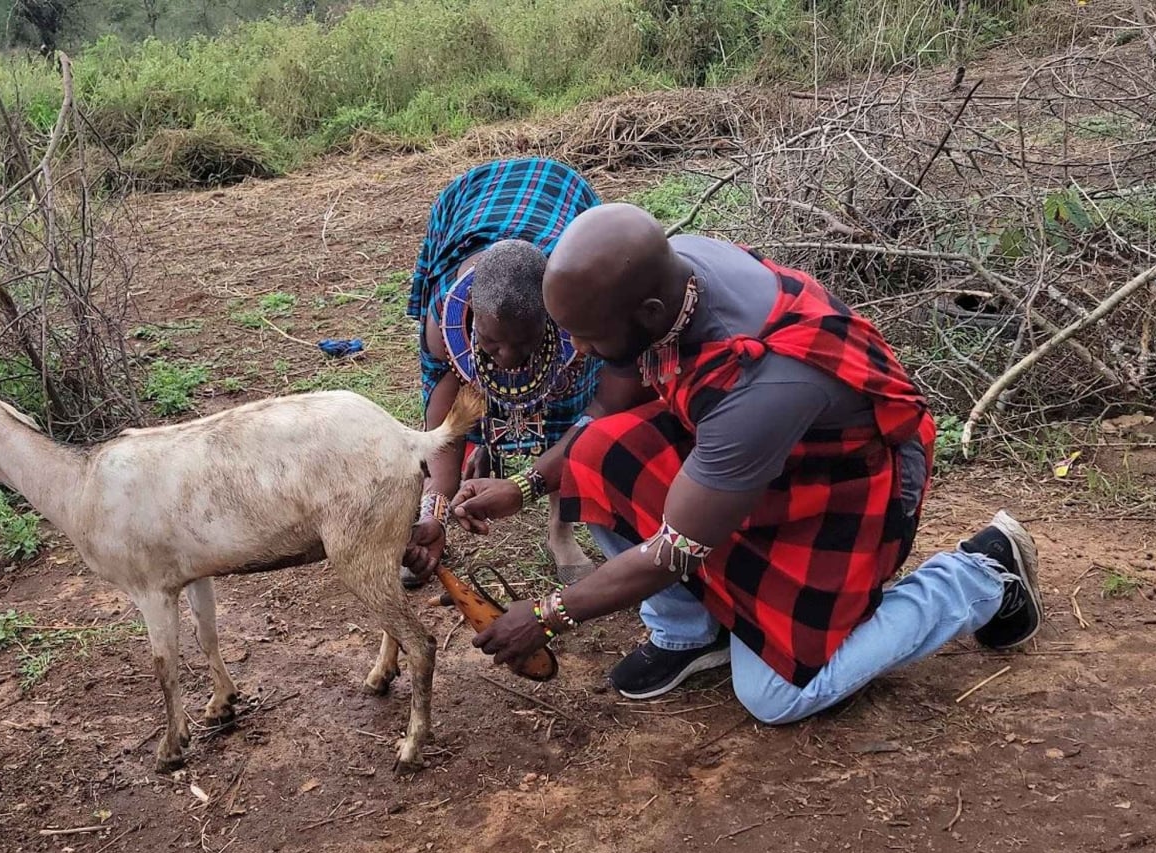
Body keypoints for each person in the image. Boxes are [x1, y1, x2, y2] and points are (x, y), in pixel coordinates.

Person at [451, 203, 1044, 722]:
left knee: (775, 694)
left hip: (853, 482)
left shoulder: (758, 380)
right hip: (762, 460)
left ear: (650, 314)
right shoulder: (665, 277)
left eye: (587, 337)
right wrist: (524, 487)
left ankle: (980, 575)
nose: (577, 350)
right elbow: (606, 416)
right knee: (599, 456)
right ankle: (689, 633)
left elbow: (673, 551)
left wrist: (548, 615)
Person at [403, 158, 642, 588]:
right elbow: (443, 425)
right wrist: (433, 511)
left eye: (526, 343)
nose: (510, 359)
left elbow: (591, 417)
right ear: (472, 315)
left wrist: (527, 483)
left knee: (566, 417)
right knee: (467, 404)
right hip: (473, 199)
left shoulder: (577, 308)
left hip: (554, 192)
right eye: (493, 343)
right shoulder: (444, 325)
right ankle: (466, 477)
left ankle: (560, 534)